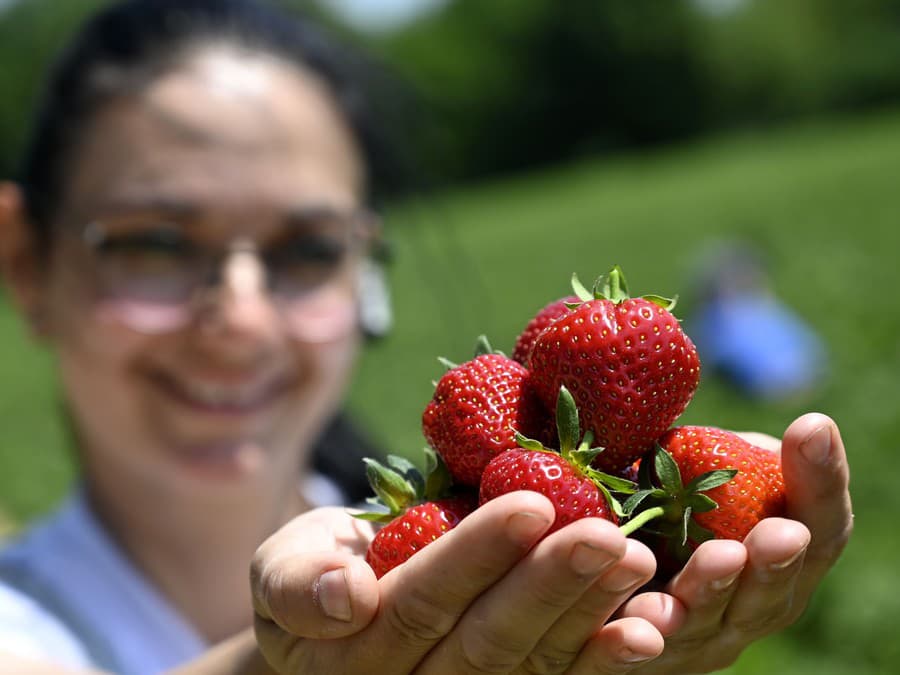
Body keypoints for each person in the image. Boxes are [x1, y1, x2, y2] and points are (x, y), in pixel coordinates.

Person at [0, 1, 852, 673]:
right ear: (24, 262)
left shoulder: (459, 518)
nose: (243, 316)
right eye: (153, 244)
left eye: (310, 248)